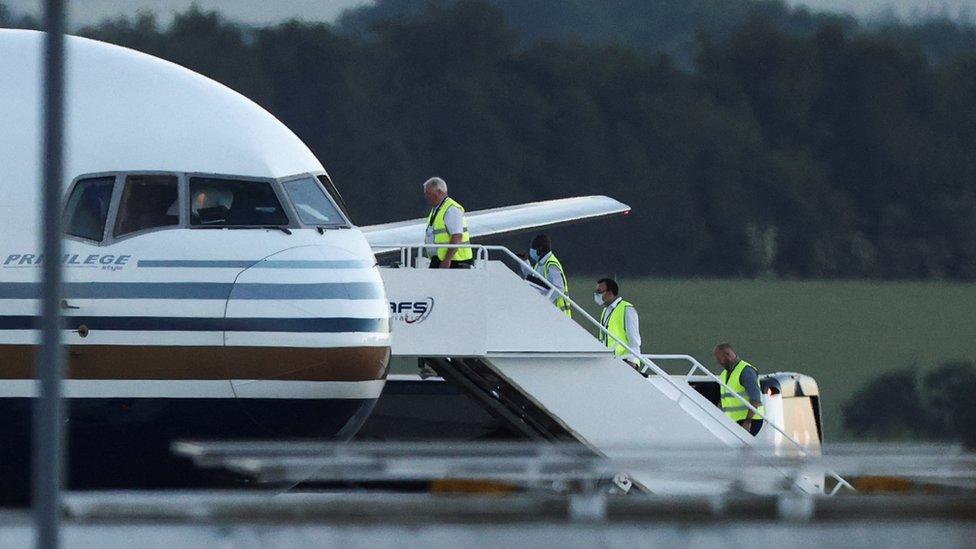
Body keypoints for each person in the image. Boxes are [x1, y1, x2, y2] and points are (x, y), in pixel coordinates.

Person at [595, 278, 646, 375]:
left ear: (610, 292)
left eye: (599, 292)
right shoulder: (605, 311)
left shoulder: (627, 309)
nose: (596, 295)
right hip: (610, 362)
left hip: (625, 362)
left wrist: (632, 361)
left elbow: (634, 339)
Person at [713, 343, 764, 436]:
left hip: (750, 420)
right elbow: (725, 398)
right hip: (733, 421)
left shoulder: (746, 371)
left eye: (718, 358)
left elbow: (756, 399)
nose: (717, 361)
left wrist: (748, 422)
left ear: (727, 355)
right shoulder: (724, 374)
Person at [422, 177, 472, 268]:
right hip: (438, 260)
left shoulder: (451, 209)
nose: (426, 196)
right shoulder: (437, 209)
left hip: (455, 262)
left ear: (439, 192)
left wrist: (447, 260)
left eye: (428, 193)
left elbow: (457, 236)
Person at [521, 234, 571, 317]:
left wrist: (543, 301)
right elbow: (534, 281)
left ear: (540, 249)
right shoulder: (540, 264)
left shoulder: (551, 264)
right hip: (548, 313)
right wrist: (524, 262)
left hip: (558, 314)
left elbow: (558, 289)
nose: (531, 251)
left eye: (533, 248)